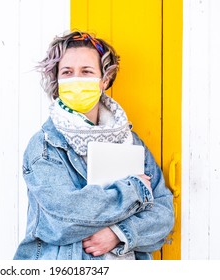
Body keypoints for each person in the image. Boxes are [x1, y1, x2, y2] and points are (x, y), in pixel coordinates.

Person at [13, 30, 174, 260]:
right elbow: (66, 218)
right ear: (57, 81)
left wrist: (118, 234)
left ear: (104, 80)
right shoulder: (45, 146)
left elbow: (163, 215)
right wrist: (134, 191)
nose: (76, 79)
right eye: (67, 72)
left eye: (86, 72)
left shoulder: (130, 142)